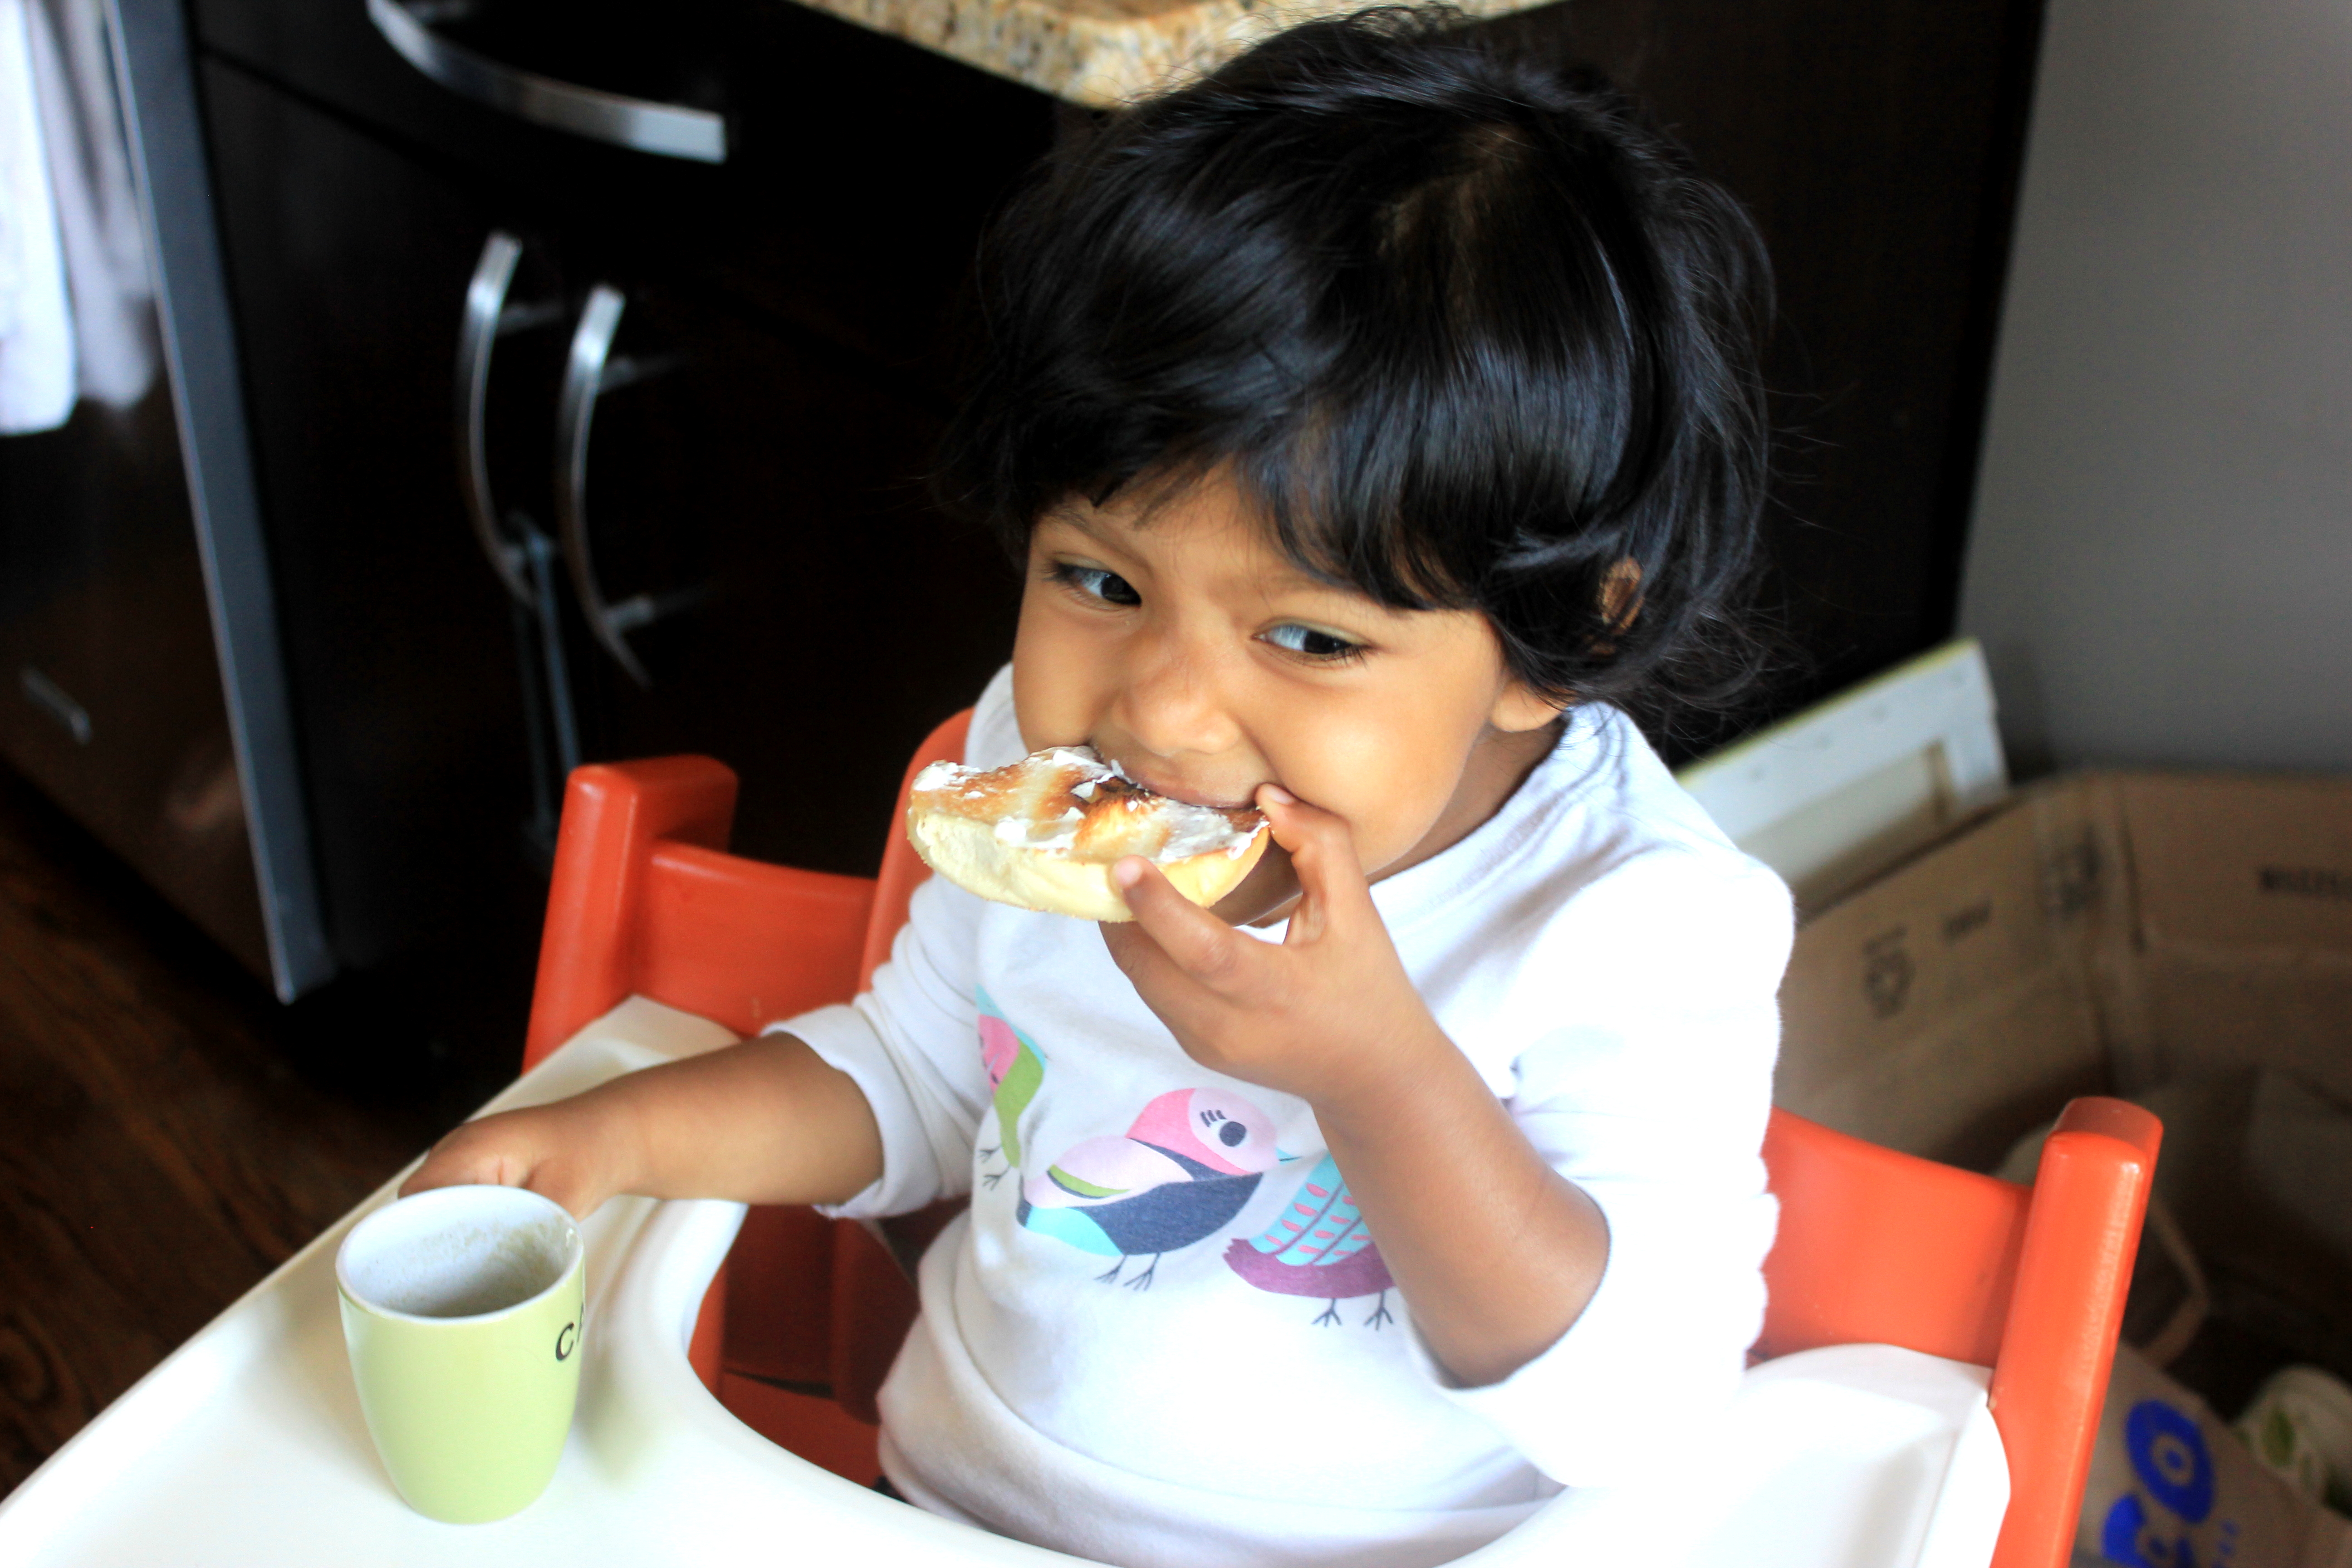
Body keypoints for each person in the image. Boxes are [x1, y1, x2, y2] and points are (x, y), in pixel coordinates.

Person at [403, 10, 1793, 1566]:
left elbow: (1633, 1408)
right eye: (1100, 578)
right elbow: (927, 1078)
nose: (1164, 711)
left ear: (1559, 639)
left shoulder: (1640, 926)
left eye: (1308, 634)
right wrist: (612, 1144)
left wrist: (1373, 1069)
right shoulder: (1040, 771)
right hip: (942, 1513)